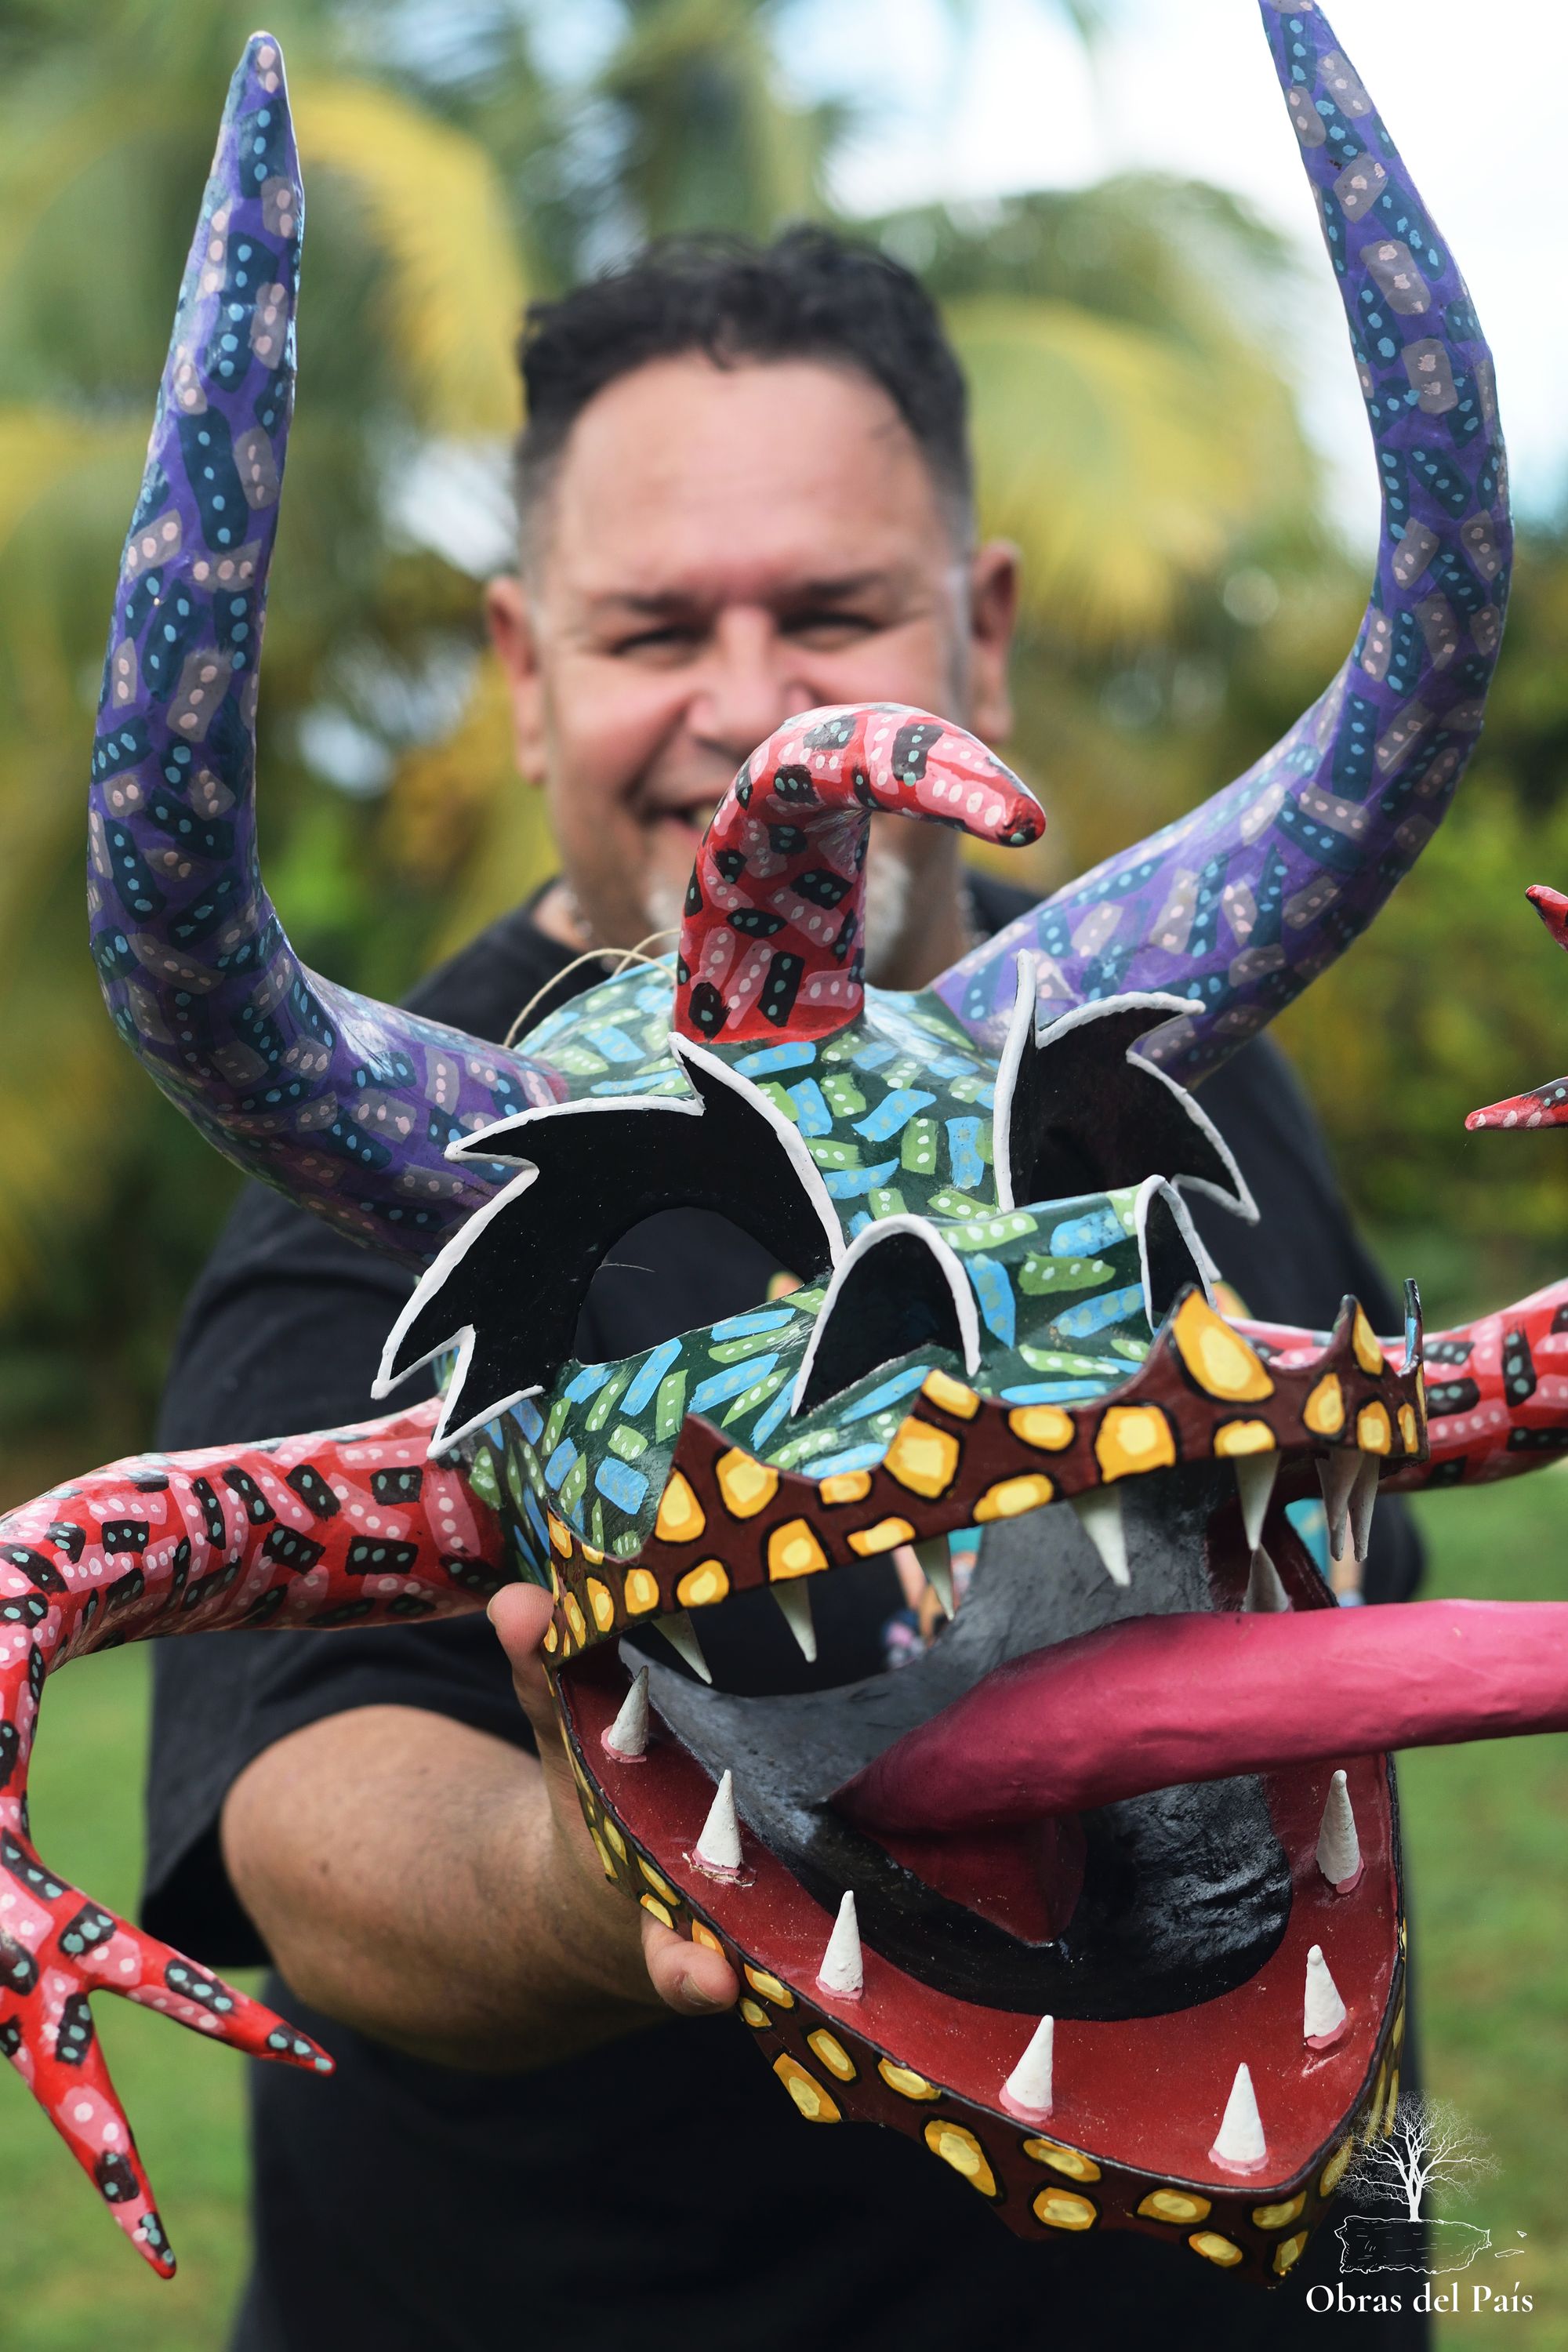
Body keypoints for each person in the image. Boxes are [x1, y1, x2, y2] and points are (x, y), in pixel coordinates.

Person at [146, 228, 1424, 2350]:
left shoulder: (1173, 1069)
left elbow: (1353, 1549)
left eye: (831, 614)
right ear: (528, 664)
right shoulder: (401, 1183)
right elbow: (302, 1803)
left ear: (980, 631)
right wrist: (587, 1871)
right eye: (655, 627)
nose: (747, 710)